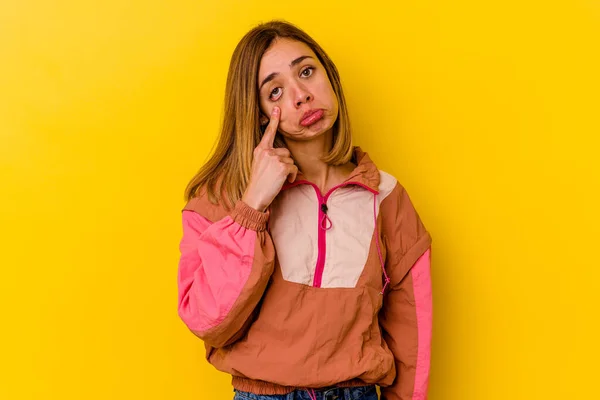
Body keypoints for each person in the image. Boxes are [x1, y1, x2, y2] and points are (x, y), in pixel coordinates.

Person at [177, 20, 433, 400]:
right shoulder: (224, 197)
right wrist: (252, 208)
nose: (300, 96)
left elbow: (412, 332)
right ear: (260, 112)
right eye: (276, 91)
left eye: (307, 72)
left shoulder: (387, 197)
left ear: (329, 76)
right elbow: (208, 320)